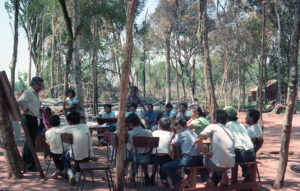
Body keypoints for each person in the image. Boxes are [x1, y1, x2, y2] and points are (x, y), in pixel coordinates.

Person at [196, 110, 235, 186]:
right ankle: (223, 174)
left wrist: (205, 153)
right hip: (230, 163)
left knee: (199, 160)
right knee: (216, 159)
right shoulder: (229, 130)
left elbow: (197, 139)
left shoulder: (212, 126)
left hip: (217, 163)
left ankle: (207, 180)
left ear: (215, 119)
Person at [55, 111, 95, 185]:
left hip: (73, 155)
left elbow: (56, 131)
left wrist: (65, 127)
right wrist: (91, 155)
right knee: (79, 159)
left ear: (69, 122)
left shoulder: (68, 128)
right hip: (86, 155)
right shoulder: (85, 127)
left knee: (64, 156)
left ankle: (70, 173)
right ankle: (77, 176)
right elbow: (90, 142)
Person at [162, 118, 203, 190]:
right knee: (183, 165)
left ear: (185, 126)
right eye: (176, 129)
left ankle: (180, 181)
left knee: (164, 167)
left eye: (179, 128)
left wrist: (174, 137)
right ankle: (182, 182)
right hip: (198, 159)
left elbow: (175, 143)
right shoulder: (193, 132)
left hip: (188, 159)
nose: (178, 131)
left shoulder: (181, 134)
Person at [17, 76, 44, 171]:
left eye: (42, 85)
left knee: (30, 142)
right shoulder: (29, 92)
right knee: (30, 142)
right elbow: (19, 101)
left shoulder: (36, 94)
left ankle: (25, 162)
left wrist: (38, 110)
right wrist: (24, 109)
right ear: (34, 84)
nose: (41, 87)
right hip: (28, 118)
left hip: (33, 118)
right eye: (39, 85)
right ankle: (30, 165)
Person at [224, 106, 255, 182]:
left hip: (241, 154)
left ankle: (231, 179)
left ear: (226, 116)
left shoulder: (227, 126)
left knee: (227, 155)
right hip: (252, 153)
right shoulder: (240, 125)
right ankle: (246, 173)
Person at [125, 113, 153, 186]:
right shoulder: (149, 132)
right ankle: (146, 176)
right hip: (147, 157)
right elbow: (151, 148)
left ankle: (131, 174)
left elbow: (130, 148)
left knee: (133, 155)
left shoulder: (130, 133)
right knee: (139, 156)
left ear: (130, 124)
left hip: (136, 157)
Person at [151, 118, 174, 186]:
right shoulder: (171, 133)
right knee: (165, 160)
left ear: (158, 126)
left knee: (157, 161)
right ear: (169, 127)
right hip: (165, 157)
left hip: (154, 157)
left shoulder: (154, 132)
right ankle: (163, 179)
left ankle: (153, 176)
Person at [45, 115, 66, 179]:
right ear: (59, 122)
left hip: (53, 152)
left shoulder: (47, 132)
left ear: (49, 123)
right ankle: (60, 170)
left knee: (55, 155)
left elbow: (48, 143)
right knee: (64, 154)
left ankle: (58, 169)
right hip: (63, 152)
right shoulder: (64, 130)